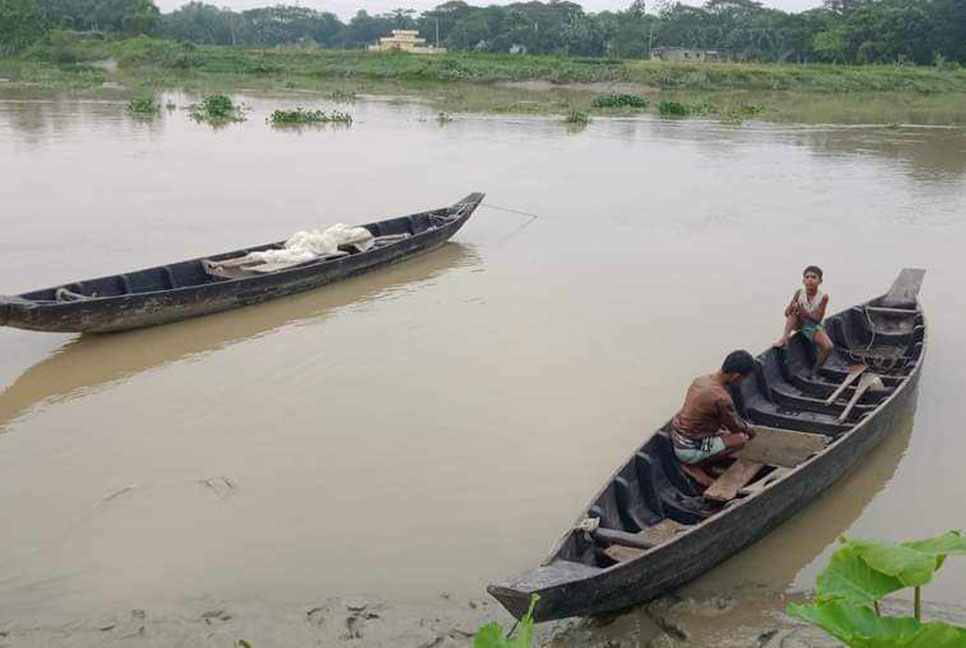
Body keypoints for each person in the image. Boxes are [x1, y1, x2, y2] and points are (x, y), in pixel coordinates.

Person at [669, 350, 757, 487]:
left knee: (725, 432)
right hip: (688, 449)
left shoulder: (700, 380)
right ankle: (694, 464)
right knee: (740, 439)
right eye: (743, 379)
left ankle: (699, 456)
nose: (742, 382)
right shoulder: (721, 398)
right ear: (736, 376)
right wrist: (751, 431)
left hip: (677, 437)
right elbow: (736, 427)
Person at [774, 265, 834, 375]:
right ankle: (784, 339)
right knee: (793, 314)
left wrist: (805, 313)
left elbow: (818, 320)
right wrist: (793, 308)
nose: (810, 280)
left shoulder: (823, 298)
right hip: (798, 323)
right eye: (807, 277)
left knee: (828, 347)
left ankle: (815, 371)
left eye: (813, 277)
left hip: (812, 326)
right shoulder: (799, 293)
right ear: (803, 280)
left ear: (820, 281)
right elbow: (787, 313)